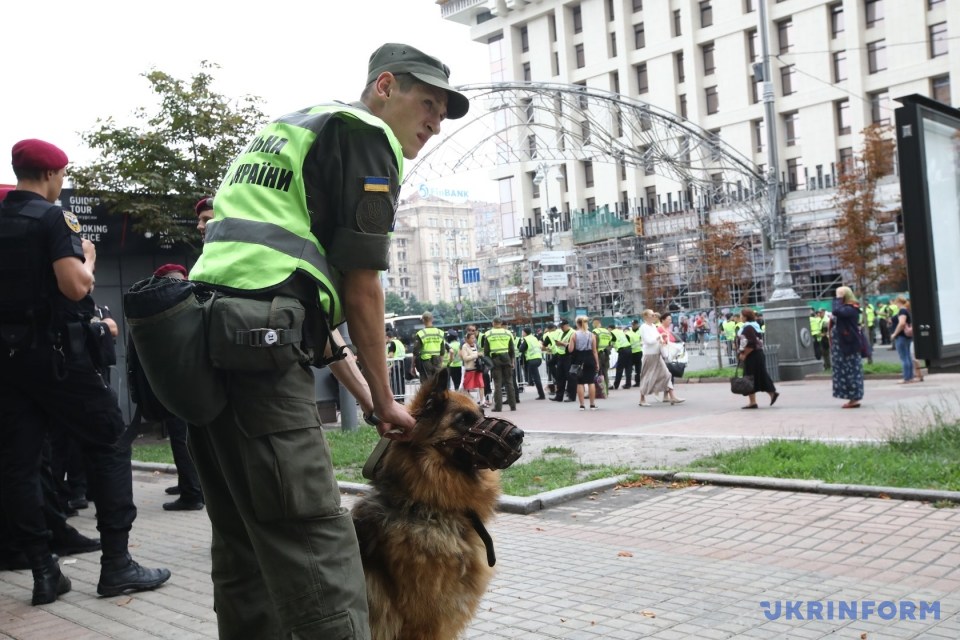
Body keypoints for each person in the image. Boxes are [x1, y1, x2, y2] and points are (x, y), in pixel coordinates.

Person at [183, 43, 463, 638]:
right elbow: (362, 287)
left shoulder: (294, 128)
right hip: (262, 357)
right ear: (385, 86)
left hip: (207, 341)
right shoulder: (367, 137)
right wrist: (389, 398)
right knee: (318, 543)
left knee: (241, 544)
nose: (435, 121)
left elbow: (304, 309)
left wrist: (368, 397)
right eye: (428, 102)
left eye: (444, 111)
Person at [0, 139, 171, 605]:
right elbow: (75, 288)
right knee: (110, 439)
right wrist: (89, 260)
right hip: (58, 359)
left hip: (9, 363)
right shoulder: (51, 218)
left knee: (20, 463)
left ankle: (43, 572)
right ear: (54, 174)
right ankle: (117, 564)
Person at [147, 264, 206, 511]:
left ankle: (192, 493)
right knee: (185, 438)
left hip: (180, 382)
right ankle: (188, 483)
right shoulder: (192, 298)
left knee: (181, 438)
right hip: (194, 382)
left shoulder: (167, 305)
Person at [637, 310, 684, 406]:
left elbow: (657, 338)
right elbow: (648, 341)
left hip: (657, 354)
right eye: (651, 315)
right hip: (649, 355)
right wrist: (659, 338)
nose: (654, 316)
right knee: (647, 376)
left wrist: (661, 340)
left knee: (667, 374)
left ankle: (672, 396)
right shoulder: (643, 327)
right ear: (646, 316)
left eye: (654, 314)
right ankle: (642, 398)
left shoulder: (654, 326)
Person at [736, 307, 779, 409]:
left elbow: (751, 343)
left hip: (752, 355)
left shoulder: (748, 328)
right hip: (757, 354)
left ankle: (754, 401)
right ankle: (770, 394)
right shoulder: (754, 326)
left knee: (749, 378)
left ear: (746, 317)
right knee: (759, 376)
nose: (740, 317)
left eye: (741, 315)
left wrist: (744, 354)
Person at [831, 286, 865, 408]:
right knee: (844, 372)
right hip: (841, 346)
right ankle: (851, 397)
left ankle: (854, 398)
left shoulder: (851, 308)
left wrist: (838, 298)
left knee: (851, 371)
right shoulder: (847, 308)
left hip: (848, 346)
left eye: (839, 295)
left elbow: (836, 311)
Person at [484, 318, 516, 412]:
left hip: (495, 360)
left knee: (497, 384)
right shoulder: (508, 333)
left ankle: (498, 407)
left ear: (493, 323)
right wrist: (512, 361)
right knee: (509, 382)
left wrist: (488, 363)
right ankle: (513, 406)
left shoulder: (488, 334)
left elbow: (486, 352)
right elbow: (512, 350)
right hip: (507, 359)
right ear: (501, 323)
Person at [570, 316, 600, 410]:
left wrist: (567, 345)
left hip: (579, 359)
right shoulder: (592, 335)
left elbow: (570, 350)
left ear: (577, 324)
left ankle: (582, 405)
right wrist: (597, 363)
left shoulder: (574, 334)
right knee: (591, 382)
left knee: (580, 383)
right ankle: (592, 404)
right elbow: (595, 351)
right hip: (590, 358)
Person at [890, 295, 919, 383]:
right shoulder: (906, 310)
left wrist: (895, 333)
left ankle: (907, 377)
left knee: (904, 357)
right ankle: (910, 377)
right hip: (906, 336)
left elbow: (902, 323)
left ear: (898, 302)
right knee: (907, 356)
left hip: (901, 336)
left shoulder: (902, 311)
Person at [413, 311, 445, 382]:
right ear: (432, 319)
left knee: (426, 384)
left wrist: (413, 366)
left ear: (423, 320)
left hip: (425, 362)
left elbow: (416, 351)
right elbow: (442, 351)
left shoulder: (421, 334)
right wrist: (440, 363)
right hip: (437, 361)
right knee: (437, 382)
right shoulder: (440, 332)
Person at [550, 319, 575, 402]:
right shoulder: (561, 332)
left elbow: (573, 345)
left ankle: (571, 396)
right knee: (559, 377)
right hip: (560, 356)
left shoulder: (573, 333)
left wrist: (562, 344)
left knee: (570, 377)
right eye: (560, 326)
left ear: (567, 325)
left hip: (569, 356)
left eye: (562, 326)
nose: (561, 328)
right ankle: (559, 396)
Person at [519, 327, 546, 399]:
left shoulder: (526, 339)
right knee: (535, 375)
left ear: (525, 333)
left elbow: (521, 349)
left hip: (532, 359)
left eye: (522, 332)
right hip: (538, 358)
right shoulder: (534, 338)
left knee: (536, 378)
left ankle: (541, 395)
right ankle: (531, 382)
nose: (522, 333)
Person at [459, 331, 484, 406]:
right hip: (470, 369)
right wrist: (476, 355)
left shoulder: (475, 345)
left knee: (481, 385)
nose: (474, 339)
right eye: (472, 338)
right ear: (467, 339)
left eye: (474, 338)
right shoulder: (464, 346)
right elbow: (465, 358)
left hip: (477, 368)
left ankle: (482, 401)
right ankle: (469, 402)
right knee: (467, 386)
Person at [591, 318, 612, 394]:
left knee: (596, 372)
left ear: (596, 322)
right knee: (605, 372)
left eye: (593, 323)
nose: (592, 325)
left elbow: (594, 345)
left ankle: (597, 391)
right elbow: (610, 344)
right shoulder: (607, 332)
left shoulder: (595, 332)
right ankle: (606, 391)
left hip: (598, 354)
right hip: (606, 355)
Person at [611, 323, 632, 389]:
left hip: (622, 350)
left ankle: (616, 385)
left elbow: (611, 341)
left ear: (610, 329)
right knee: (628, 368)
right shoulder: (620, 331)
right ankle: (628, 384)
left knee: (619, 368)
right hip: (629, 348)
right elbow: (627, 337)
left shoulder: (612, 332)